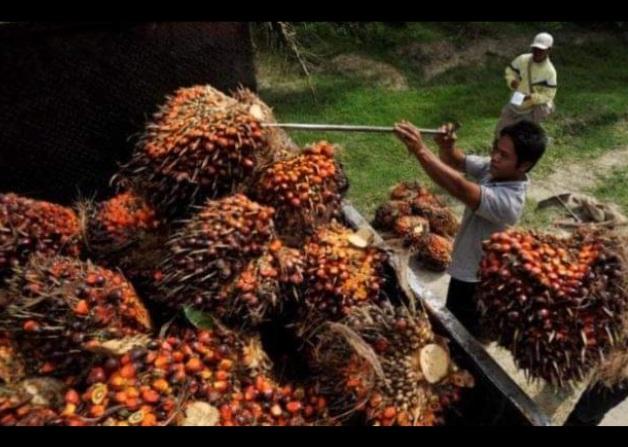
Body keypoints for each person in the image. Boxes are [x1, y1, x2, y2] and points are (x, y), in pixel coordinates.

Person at [394, 120, 547, 338]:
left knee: (460, 335)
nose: (495, 157)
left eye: (504, 155)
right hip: (466, 267)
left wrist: (420, 149)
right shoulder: (497, 170)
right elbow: (458, 161)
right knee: (456, 327)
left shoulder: (508, 202)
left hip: (474, 280)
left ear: (523, 165)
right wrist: (446, 147)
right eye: (496, 149)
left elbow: (458, 186)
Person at [495, 32, 557, 138]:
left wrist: (531, 97)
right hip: (518, 98)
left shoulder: (550, 71)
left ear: (549, 50)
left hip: (534, 105)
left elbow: (549, 94)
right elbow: (510, 71)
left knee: (524, 134)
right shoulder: (522, 59)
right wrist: (512, 81)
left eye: (541, 50)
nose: (537, 52)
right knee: (502, 130)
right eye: (535, 49)